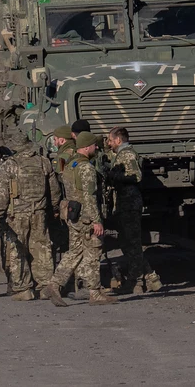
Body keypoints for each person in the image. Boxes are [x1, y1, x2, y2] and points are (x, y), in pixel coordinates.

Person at [46, 132, 117, 306]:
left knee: (75, 252)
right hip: (86, 217)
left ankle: (54, 284)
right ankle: (95, 292)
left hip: (74, 215)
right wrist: (96, 220)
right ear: (86, 147)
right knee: (93, 251)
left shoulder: (71, 164)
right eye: (94, 145)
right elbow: (89, 196)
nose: (97, 147)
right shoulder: (86, 168)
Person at [0, 144, 62, 300]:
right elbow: (54, 189)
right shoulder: (43, 162)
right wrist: (54, 208)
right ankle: (44, 286)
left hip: (16, 215)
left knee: (17, 250)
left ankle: (23, 289)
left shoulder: (10, 165)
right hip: (39, 212)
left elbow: (1, 193)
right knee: (41, 248)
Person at [107, 127, 162, 294]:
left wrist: (114, 176)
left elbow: (136, 176)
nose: (109, 143)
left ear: (118, 140)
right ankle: (152, 278)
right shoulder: (120, 155)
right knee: (128, 243)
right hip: (124, 204)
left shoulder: (128, 155)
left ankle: (134, 282)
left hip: (129, 204)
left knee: (132, 244)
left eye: (110, 140)